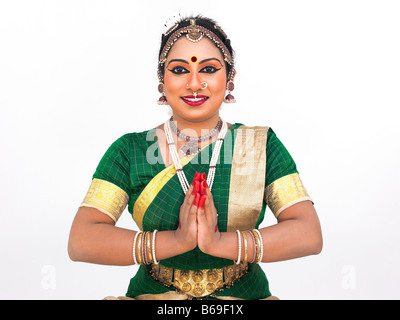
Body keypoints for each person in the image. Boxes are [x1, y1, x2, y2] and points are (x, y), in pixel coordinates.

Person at [68, 15, 322, 300]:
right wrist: (176, 241)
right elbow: (81, 241)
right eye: (179, 70)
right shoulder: (131, 150)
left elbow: (308, 234)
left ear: (230, 79)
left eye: (209, 69)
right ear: (162, 81)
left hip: (244, 296)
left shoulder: (258, 146)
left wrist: (219, 243)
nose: (194, 83)